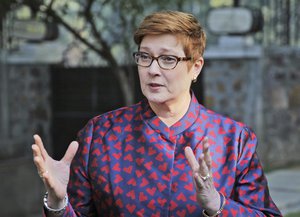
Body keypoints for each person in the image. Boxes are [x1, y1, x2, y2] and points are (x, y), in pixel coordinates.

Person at [32, 10, 282, 217]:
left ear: (195, 67)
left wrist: (218, 205)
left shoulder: (234, 139)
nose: (152, 69)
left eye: (167, 59)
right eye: (145, 57)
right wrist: (58, 203)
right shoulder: (101, 134)